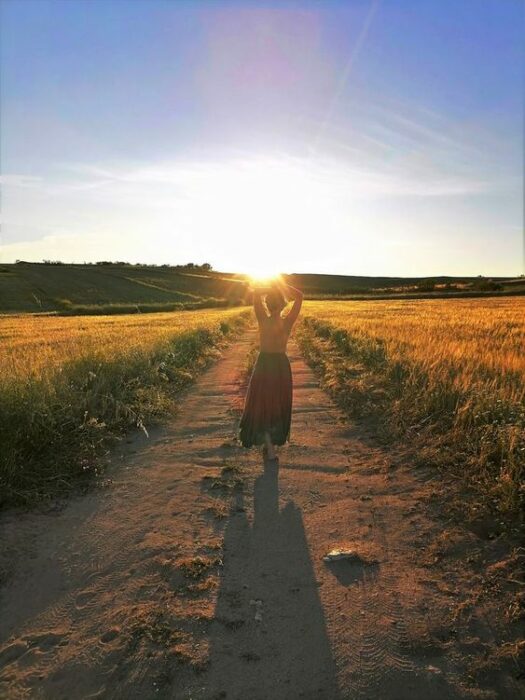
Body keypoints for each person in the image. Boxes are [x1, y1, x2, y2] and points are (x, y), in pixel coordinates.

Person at [239, 277, 303, 461]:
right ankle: (270, 447)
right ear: (283, 305)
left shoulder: (262, 318)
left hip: (264, 364)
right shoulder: (287, 322)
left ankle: (268, 444)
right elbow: (300, 297)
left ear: (266, 303)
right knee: (277, 405)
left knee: (262, 404)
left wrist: (270, 286)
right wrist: (282, 286)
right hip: (281, 366)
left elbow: (255, 294)